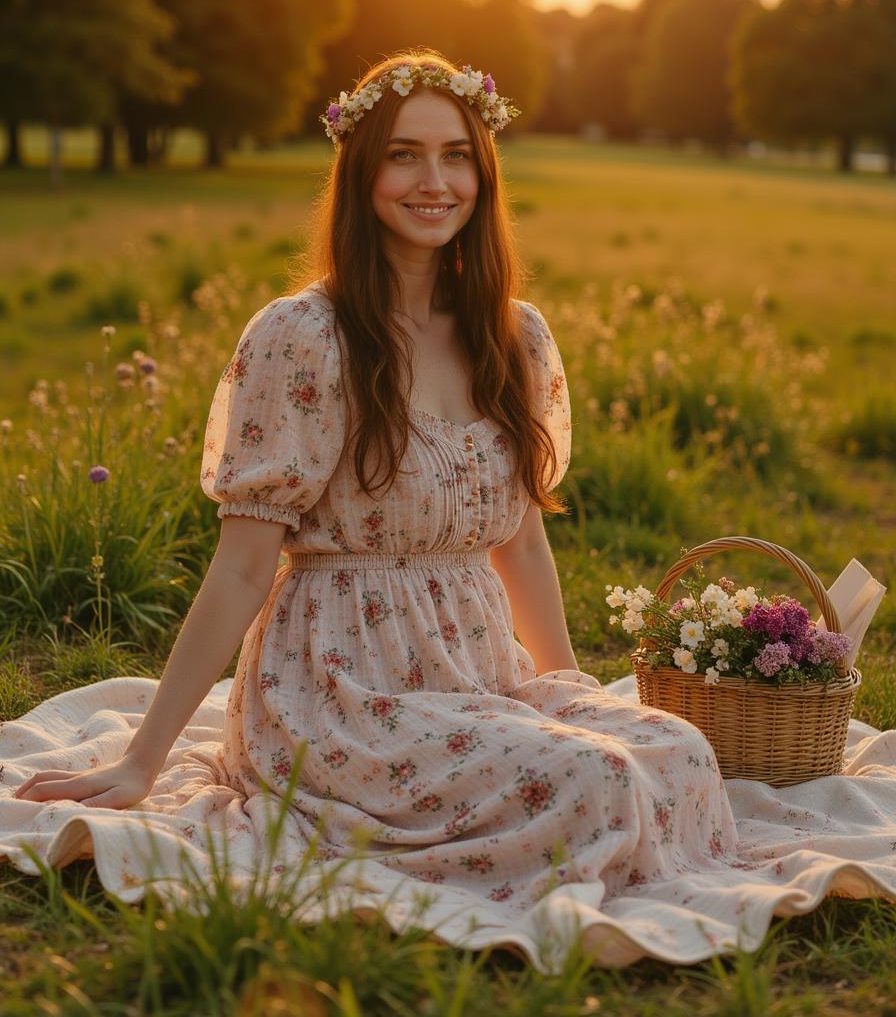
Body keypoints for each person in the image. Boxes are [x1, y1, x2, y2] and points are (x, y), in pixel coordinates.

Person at [5, 50, 894, 972]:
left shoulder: (514, 331)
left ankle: (562, 757)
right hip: (341, 690)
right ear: (361, 174)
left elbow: (523, 543)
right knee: (595, 780)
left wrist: (569, 691)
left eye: (456, 156)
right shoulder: (301, 337)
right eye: (404, 156)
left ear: (483, 172)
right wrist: (143, 763)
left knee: (673, 751)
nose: (434, 182)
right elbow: (239, 568)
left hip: (474, 669)